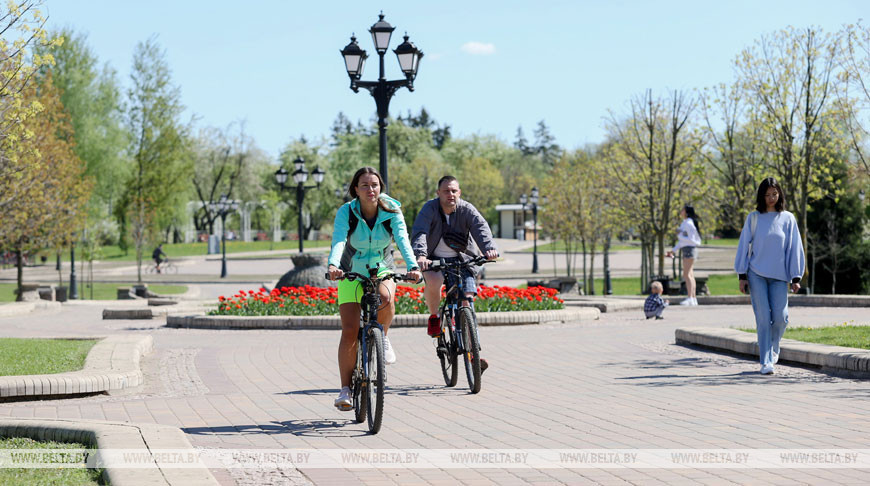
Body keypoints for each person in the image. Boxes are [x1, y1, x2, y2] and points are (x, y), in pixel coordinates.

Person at [327, 167, 421, 411]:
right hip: (351, 268)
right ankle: (345, 389)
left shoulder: (391, 210)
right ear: (355, 190)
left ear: (381, 188)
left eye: (375, 185)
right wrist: (333, 265)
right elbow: (338, 239)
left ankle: (383, 338)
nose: (371, 189)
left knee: (386, 298)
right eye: (365, 185)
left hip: (381, 266)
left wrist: (413, 266)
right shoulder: (347, 212)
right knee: (349, 331)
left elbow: (402, 239)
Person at [411, 176, 499, 369]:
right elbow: (420, 232)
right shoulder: (430, 209)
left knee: (467, 299)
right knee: (433, 282)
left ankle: (473, 355)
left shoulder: (467, 209)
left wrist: (488, 248)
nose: (450, 194)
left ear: (459, 193)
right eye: (446, 191)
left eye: (454, 191)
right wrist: (421, 255)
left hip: (462, 260)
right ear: (438, 193)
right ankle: (435, 317)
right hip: (434, 259)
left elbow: (480, 227)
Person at [734, 177, 805, 375]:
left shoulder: (788, 218)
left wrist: (796, 276)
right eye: (767, 195)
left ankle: (774, 348)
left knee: (781, 318)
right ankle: (766, 361)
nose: (771, 198)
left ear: (780, 194)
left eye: (775, 194)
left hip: (780, 276)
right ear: (761, 196)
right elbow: (743, 246)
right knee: (764, 318)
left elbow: (794, 248)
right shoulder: (754, 218)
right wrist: (742, 274)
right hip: (756, 274)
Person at [666, 204, 702, 306]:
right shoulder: (685, 223)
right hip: (687, 249)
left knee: (686, 274)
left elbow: (692, 239)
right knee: (690, 274)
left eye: (682, 210)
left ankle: (690, 297)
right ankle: (693, 298)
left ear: (686, 212)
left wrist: (680, 235)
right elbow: (681, 241)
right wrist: (673, 251)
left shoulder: (689, 223)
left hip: (689, 250)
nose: (681, 211)